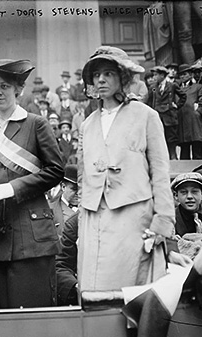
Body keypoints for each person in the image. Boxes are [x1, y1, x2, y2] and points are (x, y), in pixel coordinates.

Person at [77, 46, 177, 293]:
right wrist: (82, 224)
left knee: (131, 293)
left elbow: (160, 173)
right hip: (94, 220)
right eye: (96, 74)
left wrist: (162, 221)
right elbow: (83, 178)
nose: (101, 79)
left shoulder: (146, 116)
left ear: (122, 77)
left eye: (108, 73)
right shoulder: (87, 125)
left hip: (133, 218)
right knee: (94, 293)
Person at [0, 59, 64, 308]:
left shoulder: (35, 124)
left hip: (30, 236)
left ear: (18, 89)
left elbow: (55, 170)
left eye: (5, 86)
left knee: (33, 314)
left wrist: (13, 188)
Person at [169, 172, 202, 261]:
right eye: (183, 192)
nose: (189, 196)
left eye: (194, 192)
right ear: (176, 195)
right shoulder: (169, 219)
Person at [149, 66, 187, 160]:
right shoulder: (153, 87)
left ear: (162, 75)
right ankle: (163, 157)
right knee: (159, 137)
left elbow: (183, 96)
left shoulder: (172, 85)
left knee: (171, 137)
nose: (154, 77)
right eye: (154, 75)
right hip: (158, 115)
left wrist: (177, 105)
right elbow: (149, 100)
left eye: (156, 75)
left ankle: (173, 156)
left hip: (169, 115)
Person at [177, 64, 202, 160]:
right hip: (182, 121)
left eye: (185, 74)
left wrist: (197, 113)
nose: (182, 76)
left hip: (195, 122)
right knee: (184, 151)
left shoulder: (197, 87)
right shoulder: (177, 88)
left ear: (190, 75)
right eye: (181, 75)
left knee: (197, 149)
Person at [49, 164, 78, 236]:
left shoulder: (89, 210)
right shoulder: (49, 209)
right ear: (63, 187)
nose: (78, 193)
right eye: (74, 189)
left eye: (81, 189)